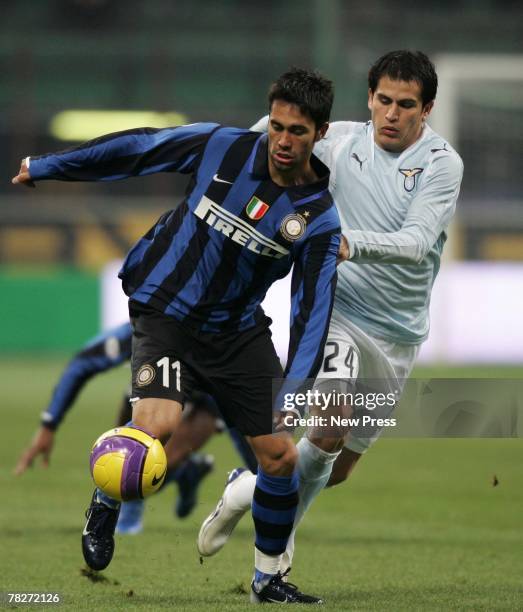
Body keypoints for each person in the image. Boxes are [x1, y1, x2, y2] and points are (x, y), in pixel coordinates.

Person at [12, 67, 341, 604]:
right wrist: (48, 166)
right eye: (277, 126)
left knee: (280, 457)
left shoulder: (319, 219)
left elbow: (312, 306)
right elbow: (139, 149)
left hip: (235, 330)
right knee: (155, 426)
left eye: (297, 132)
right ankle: (106, 497)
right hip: (166, 309)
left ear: (320, 133)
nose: (283, 140)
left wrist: (297, 387)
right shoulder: (223, 147)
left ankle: (268, 579)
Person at [197, 49, 464, 586]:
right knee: (327, 425)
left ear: (426, 109)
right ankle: (274, 559)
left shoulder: (441, 164)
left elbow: (415, 244)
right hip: (337, 308)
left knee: (336, 468)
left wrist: (348, 241)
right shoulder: (337, 140)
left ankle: (245, 489)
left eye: (405, 105)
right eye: (383, 100)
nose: (391, 113)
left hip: (400, 332)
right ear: (369, 98)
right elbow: (256, 142)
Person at [13, 321, 225, 531]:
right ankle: (180, 476)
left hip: (205, 403)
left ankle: (181, 471)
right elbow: (82, 364)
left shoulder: (226, 335)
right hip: (157, 393)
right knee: (130, 459)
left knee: (155, 468)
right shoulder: (156, 320)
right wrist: (49, 424)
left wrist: (257, 469)